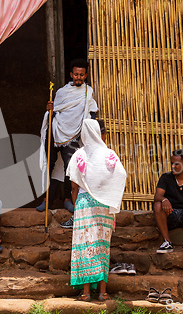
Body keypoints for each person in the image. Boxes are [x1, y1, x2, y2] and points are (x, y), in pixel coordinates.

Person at [67, 119, 126, 301]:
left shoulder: (79, 155)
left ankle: (85, 293)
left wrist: (77, 207)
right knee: (102, 246)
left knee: (85, 246)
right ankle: (103, 292)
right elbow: (121, 176)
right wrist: (109, 198)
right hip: (104, 205)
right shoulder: (109, 154)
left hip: (84, 204)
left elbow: (74, 187)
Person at [38, 58, 98, 214]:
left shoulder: (88, 92)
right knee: (48, 165)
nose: (78, 77)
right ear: (71, 74)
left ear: (85, 76)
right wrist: (49, 109)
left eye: (81, 75)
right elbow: (54, 112)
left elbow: (91, 113)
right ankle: (46, 200)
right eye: (76, 74)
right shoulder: (61, 92)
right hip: (56, 131)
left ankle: (67, 199)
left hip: (74, 135)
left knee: (70, 168)